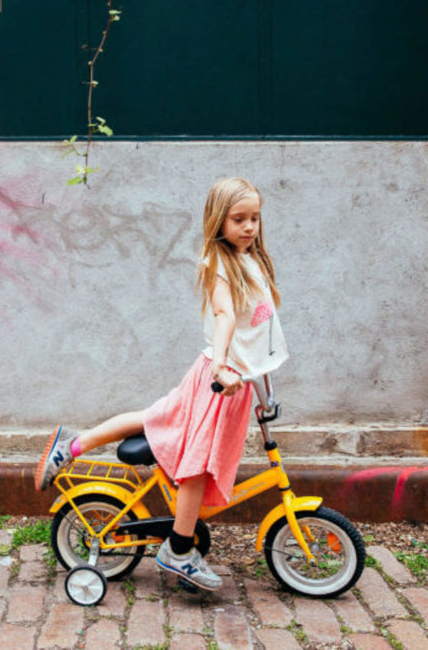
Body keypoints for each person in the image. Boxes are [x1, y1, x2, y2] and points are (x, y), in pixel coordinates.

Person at [34, 176, 289, 591]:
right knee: (197, 467)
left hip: (231, 382)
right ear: (217, 222)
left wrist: (260, 387)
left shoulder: (250, 261)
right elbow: (225, 319)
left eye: (255, 219)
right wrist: (223, 368)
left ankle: (72, 445)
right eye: (238, 219)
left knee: (151, 418)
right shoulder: (221, 264)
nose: (248, 227)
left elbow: (255, 335)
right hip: (218, 381)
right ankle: (179, 551)